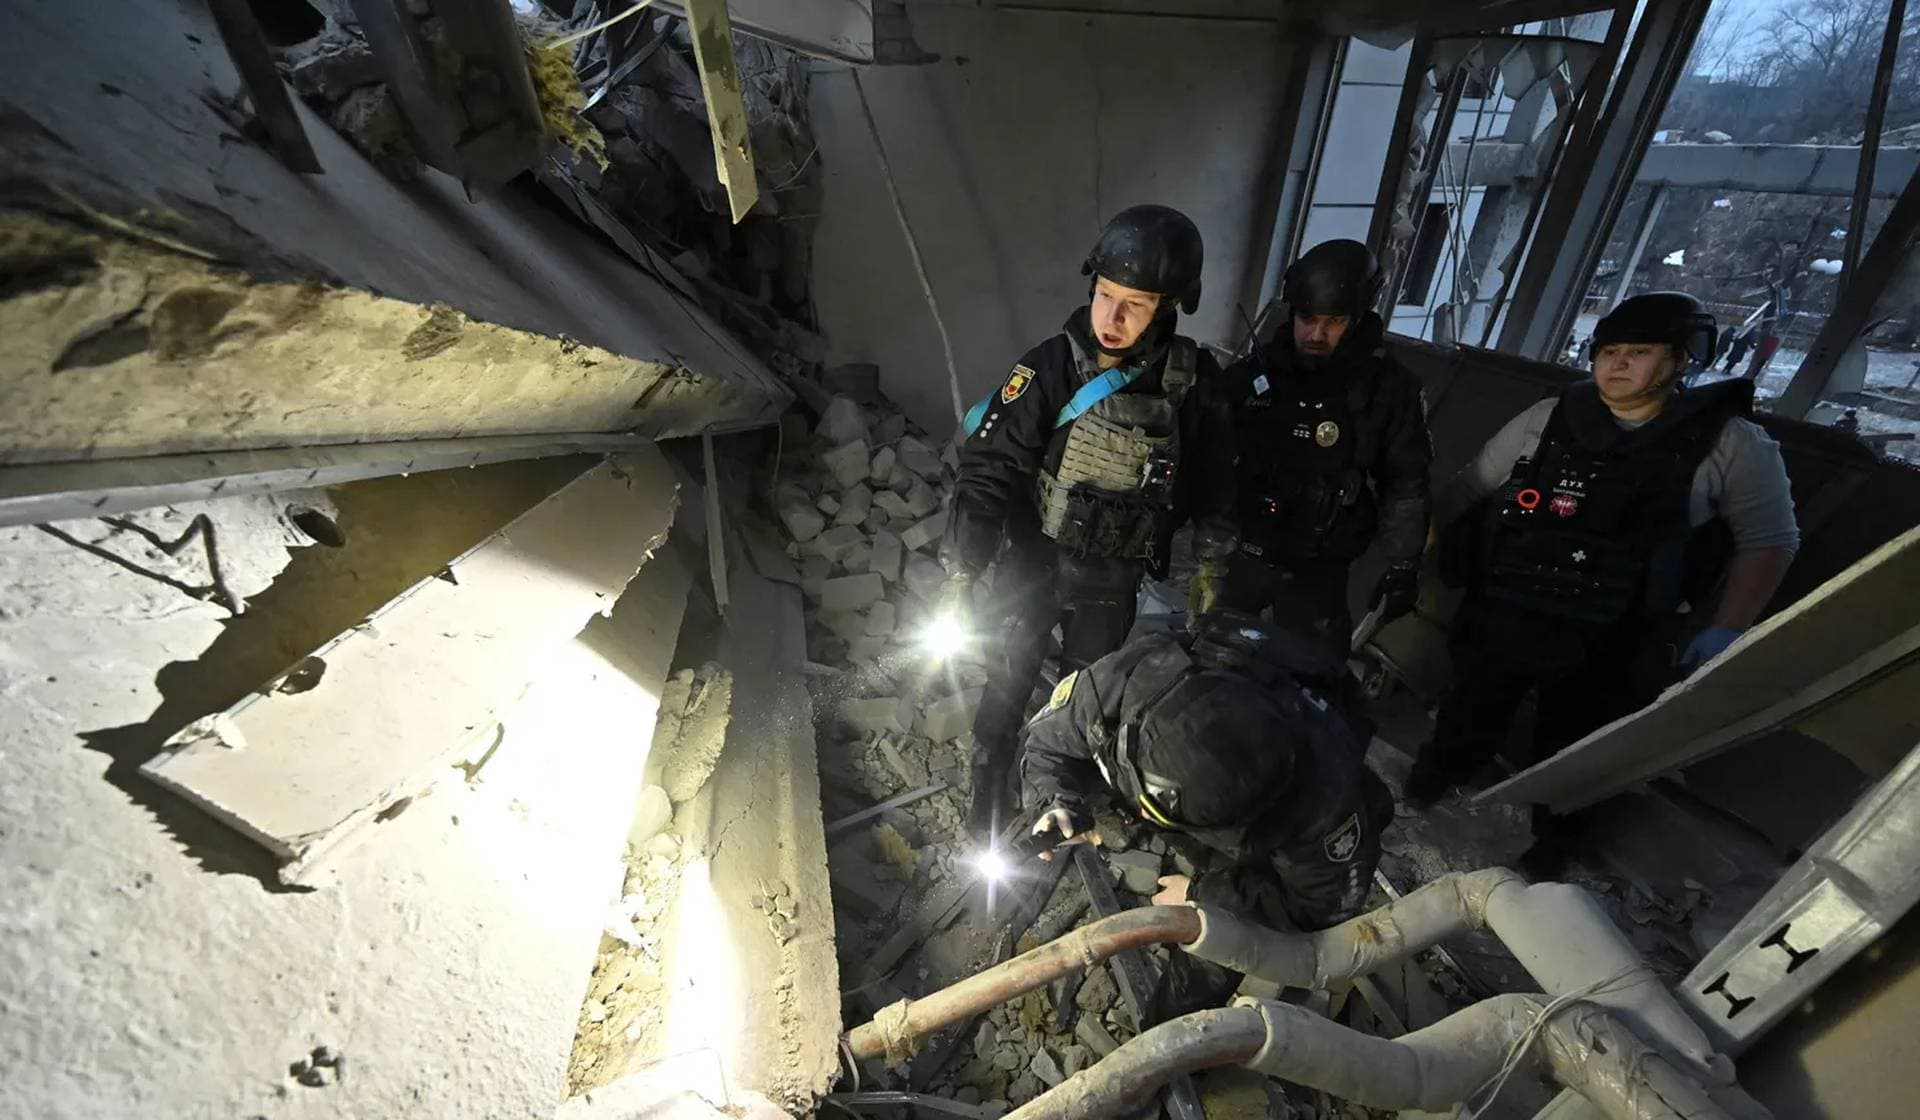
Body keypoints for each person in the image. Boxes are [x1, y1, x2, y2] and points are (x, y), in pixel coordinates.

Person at [1405, 292, 1799, 872]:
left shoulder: (1728, 442)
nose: (1616, 364)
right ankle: (1436, 778)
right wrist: (1411, 558)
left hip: (1617, 632)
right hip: (1512, 604)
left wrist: (1727, 628)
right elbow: (1468, 490)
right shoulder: (1550, 417)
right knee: (1471, 709)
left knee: (1579, 751)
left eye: (1638, 352)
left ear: (1682, 360)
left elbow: (1771, 539)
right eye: (1608, 350)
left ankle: (1556, 842)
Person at [940, 205, 1238, 842]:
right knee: (1010, 674)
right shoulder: (1050, 365)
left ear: (1170, 307)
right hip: (1035, 558)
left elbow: (1217, 481)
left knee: (1085, 694)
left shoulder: (1196, 383)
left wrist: (1211, 563)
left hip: (1112, 573)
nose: (1112, 317)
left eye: (1136, 303)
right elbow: (989, 468)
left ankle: (1058, 797)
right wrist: (964, 566)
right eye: (1105, 295)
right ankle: (989, 775)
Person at [1019, 610, 1392, 1017]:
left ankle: (1173, 1037)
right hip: (1228, 678)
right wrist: (1054, 802)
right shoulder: (1121, 684)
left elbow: (1313, 907)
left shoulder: (1328, 808)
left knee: (1219, 945)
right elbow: (1046, 744)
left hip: (1300, 754)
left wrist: (1201, 897)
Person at [1218, 239, 1432, 658]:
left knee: (1312, 679)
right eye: (1307, 318)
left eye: (1334, 321)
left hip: (1321, 565)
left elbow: (1406, 482)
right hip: (1246, 548)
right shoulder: (1253, 377)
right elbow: (1209, 456)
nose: (1316, 334)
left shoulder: (1389, 390)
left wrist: (1404, 564)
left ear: (1356, 319)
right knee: (1210, 664)